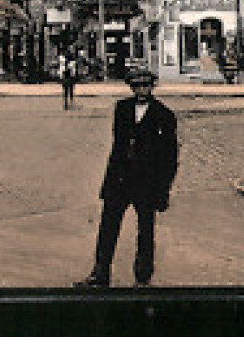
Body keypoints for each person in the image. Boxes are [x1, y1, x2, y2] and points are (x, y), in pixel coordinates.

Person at [75, 66, 178, 288]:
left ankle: (143, 277)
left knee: (146, 230)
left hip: (147, 182)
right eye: (137, 86)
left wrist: (163, 189)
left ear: (152, 87)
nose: (141, 90)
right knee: (108, 228)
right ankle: (100, 274)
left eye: (146, 85)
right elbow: (118, 145)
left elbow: (170, 157)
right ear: (131, 87)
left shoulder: (164, 116)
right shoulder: (121, 109)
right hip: (120, 179)